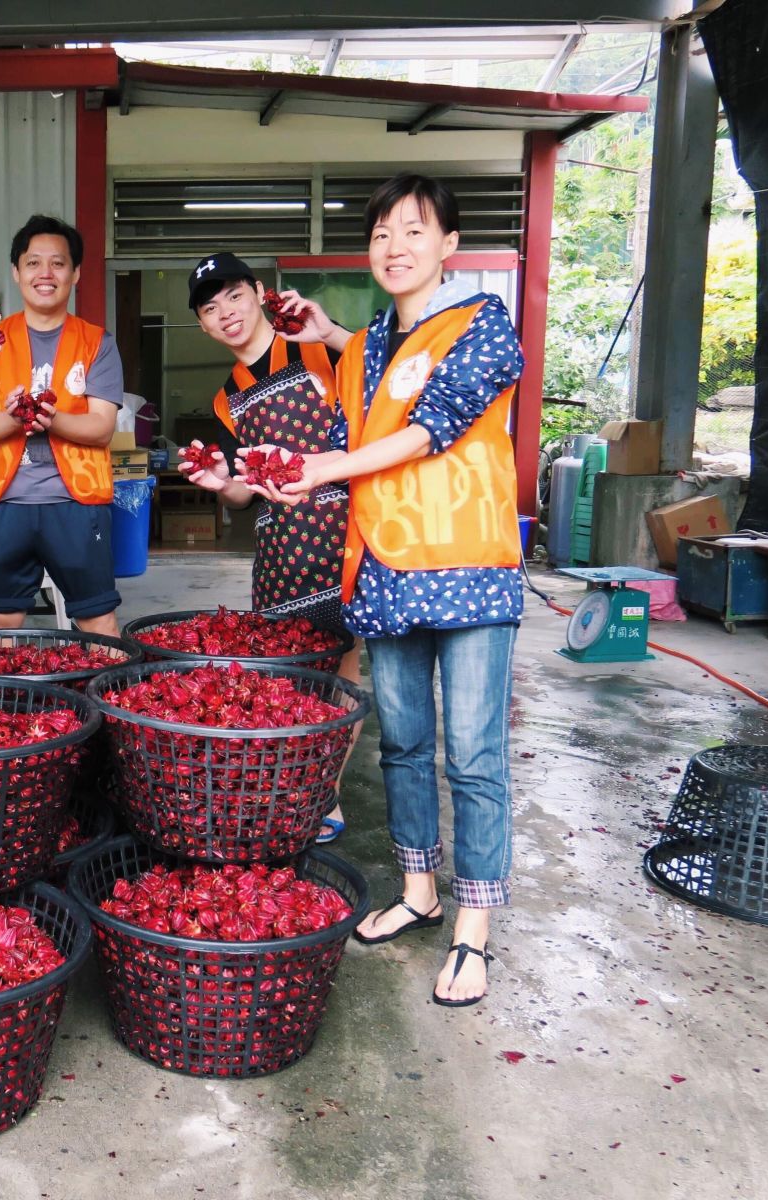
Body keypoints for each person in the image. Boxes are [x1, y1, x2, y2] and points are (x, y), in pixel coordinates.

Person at [246, 173, 523, 1008]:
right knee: (401, 745)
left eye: (413, 231)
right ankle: (417, 889)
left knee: (472, 756)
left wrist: (324, 465)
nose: (395, 248)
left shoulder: (482, 325)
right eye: (381, 236)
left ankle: (473, 929)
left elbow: (431, 427)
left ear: (448, 246)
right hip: (385, 572)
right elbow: (341, 445)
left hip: (469, 566)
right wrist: (283, 479)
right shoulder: (362, 349)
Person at [177, 252, 358, 843]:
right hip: (280, 554)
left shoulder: (315, 345)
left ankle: (325, 798)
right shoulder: (228, 398)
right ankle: (289, 791)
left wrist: (332, 331)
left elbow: (388, 370)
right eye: (210, 307)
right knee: (285, 684)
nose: (225, 312)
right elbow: (241, 495)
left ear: (259, 292)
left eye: (233, 295)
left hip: (343, 537)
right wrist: (217, 483)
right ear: (202, 326)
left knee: (340, 678)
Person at [0, 214, 124, 637]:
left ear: (76, 273)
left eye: (58, 263)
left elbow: (102, 427)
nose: (45, 274)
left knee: (96, 616)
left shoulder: (98, 343)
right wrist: (14, 417)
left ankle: (100, 702)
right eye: (33, 263)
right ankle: (1, 702)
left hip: (78, 506)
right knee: (1, 618)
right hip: (6, 504)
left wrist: (52, 420)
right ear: (16, 272)